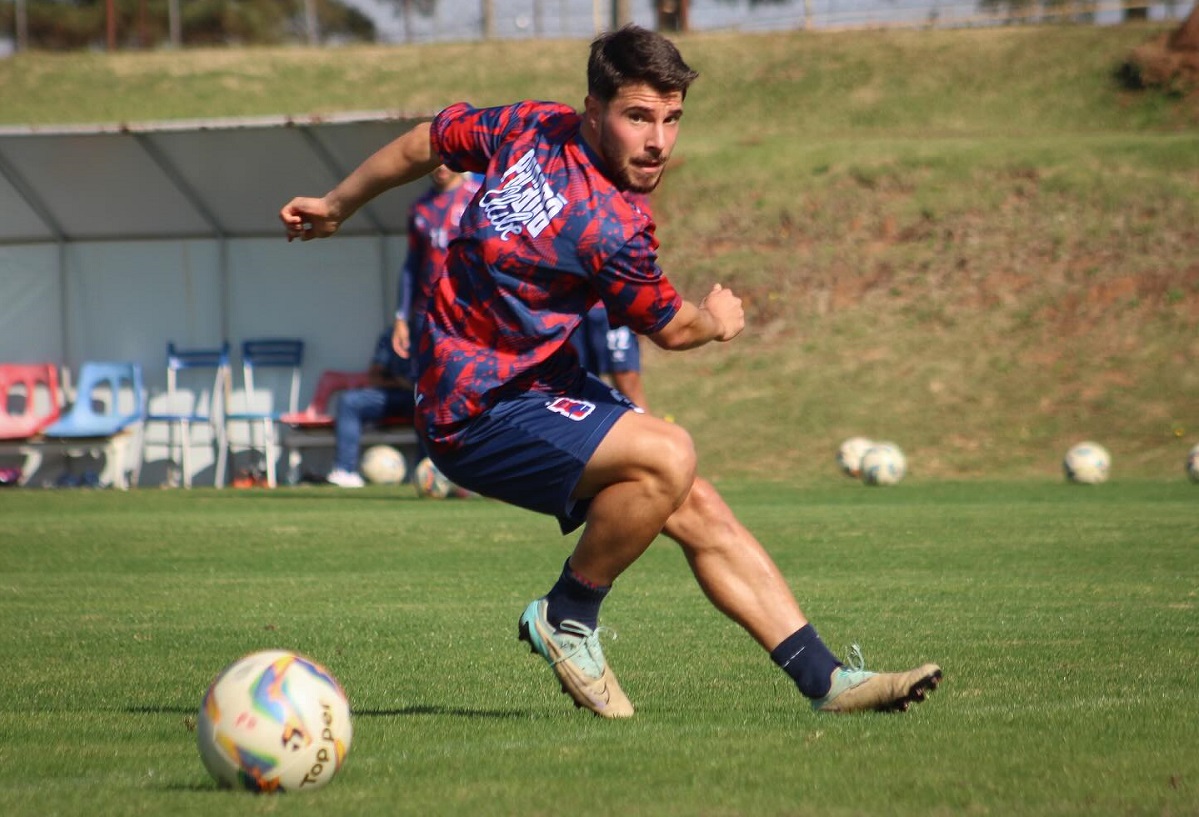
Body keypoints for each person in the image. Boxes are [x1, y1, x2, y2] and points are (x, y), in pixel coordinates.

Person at [281, 24, 941, 717]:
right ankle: (567, 614)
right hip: (472, 410)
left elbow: (425, 140)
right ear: (592, 111)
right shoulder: (612, 226)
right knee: (668, 454)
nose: (657, 140)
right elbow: (672, 327)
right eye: (637, 117)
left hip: (532, 384)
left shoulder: (531, 125)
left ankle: (826, 680)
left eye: (671, 119)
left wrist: (336, 204)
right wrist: (716, 319)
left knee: (693, 499)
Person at [391, 165, 480, 369]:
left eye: (446, 159)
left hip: (469, 308)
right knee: (427, 381)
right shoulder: (419, 208)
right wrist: (401, 317)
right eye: (434, 161)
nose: (441, 167)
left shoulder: (478, 197)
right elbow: (411, 265)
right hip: (428, 311)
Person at [326, 331, 415, 488]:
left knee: (435, 407)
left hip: (426, 397)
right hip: (395, 393)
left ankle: (431, 469)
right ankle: (345, 471)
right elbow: (375, 376)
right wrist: (401, 383)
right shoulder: (392, 335)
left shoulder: (439, 331)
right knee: (349, 401)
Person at [570, 301, 649, 410]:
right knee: (577, 392)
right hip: (568, 310)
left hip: (607, 305)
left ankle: (643, 425)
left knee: (629, 388)